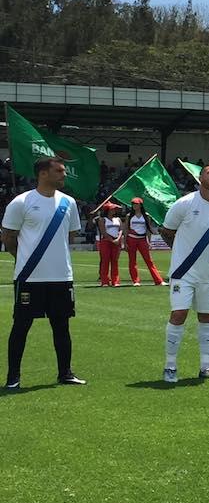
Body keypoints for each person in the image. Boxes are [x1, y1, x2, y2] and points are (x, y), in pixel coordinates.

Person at [3, 157, 85, 389]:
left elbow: (69, 236)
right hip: (30, 278)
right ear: (43, 174)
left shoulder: (68, 202)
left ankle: (65, 373)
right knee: (21, 326)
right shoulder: (21, 202)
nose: (64, 174)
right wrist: (26, 261)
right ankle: (13, 377)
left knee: (62, 326)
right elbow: (9, 238)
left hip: (61, 277)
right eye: (58, 171)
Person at [159, 162, 209, 383]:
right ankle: (170, 366)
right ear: (200, 178)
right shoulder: (184, 204)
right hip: (184, 272)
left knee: (207, 318)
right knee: (178, 315)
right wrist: (181, 253)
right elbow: (167, 231)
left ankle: (206, 367)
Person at [124, 197, 165, 286]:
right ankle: (136, 281)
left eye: (136, 204)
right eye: (133, 204)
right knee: (132, 261)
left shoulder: (146, 216)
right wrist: (125, 242)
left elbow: (147, 229)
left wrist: (149, 241)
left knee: (149, 260)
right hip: (131, 239)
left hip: (142, 239)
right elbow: (126, 229)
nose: (134, 205)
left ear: (140, 205)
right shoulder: (129, 216)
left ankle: (158, 280)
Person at [97, 202, 123, 287]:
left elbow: (121, 230)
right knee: (105, 261)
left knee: (115, 261)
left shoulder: (118, 219)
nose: (114, 210)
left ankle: (115, 281)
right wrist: (112, 240)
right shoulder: (102, 219)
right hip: (106, 241)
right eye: (112, 209)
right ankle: (105, 281)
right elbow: (103, 232)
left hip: (116, 241)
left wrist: (118, 239)